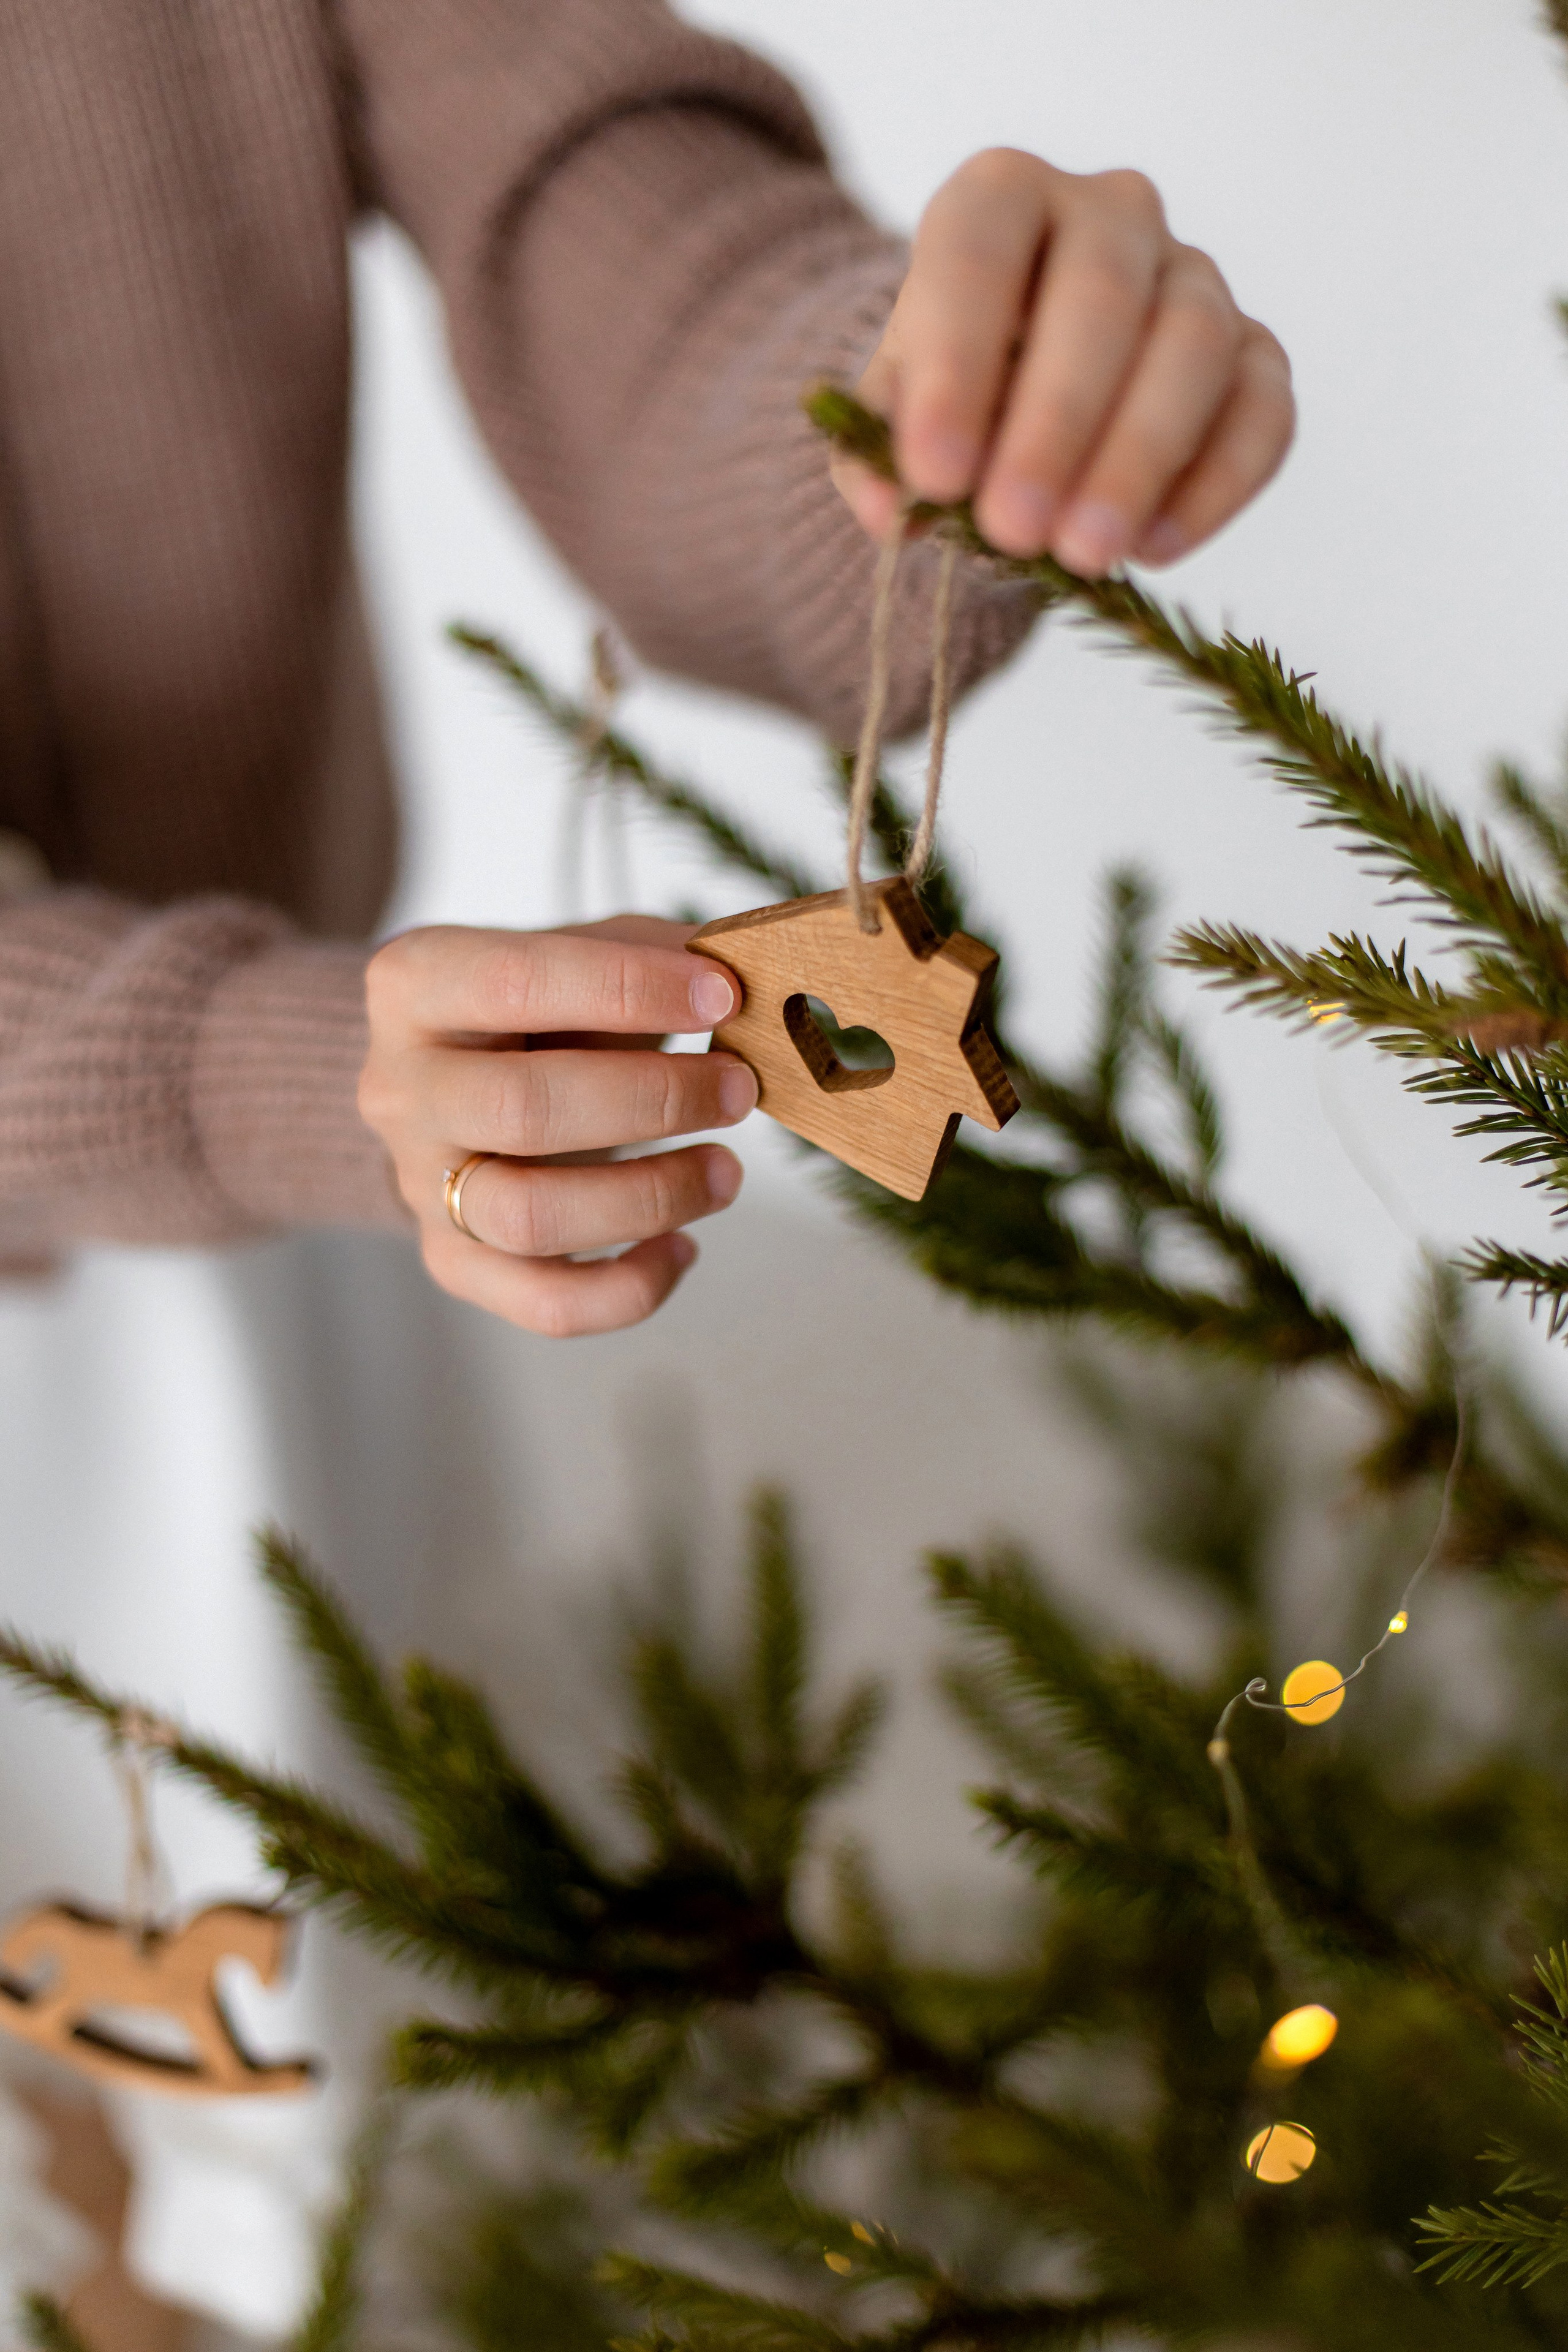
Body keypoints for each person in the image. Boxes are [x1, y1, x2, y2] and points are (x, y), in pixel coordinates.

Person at [0, 0, 1292, 1338]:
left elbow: (605, 215)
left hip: (355, 1200)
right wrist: (238, 1075)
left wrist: (907, 410)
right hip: (308, 1139)